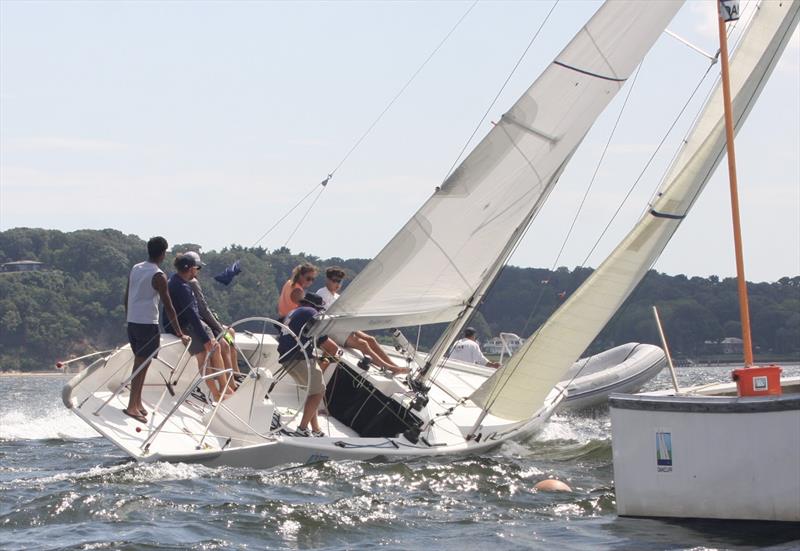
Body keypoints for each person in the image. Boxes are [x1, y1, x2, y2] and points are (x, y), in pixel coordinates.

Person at [123, 236, 189, 423]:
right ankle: (131, 407)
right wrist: (179, 332)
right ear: (162, 253)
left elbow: (127, 295)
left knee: (143, 363)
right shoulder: (158, 275)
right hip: (147, 324)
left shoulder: (136, 268)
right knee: (141, 365)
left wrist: (129, 317)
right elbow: (168, 306)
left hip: (133, 323)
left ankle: (137, 402)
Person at [164, 253, 233, 401]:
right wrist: (206, 338)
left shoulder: (173, 281)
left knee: (206, 355)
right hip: (188, 325)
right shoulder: (183, 287)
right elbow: (193, 315)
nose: (197, 272)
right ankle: (221, 389)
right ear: (190, 269)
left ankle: (219, 390)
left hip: (179, 324)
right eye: (197, 269)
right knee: (213, 350)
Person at [317, 266, 408, 375]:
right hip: (332, 329)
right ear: (327, 279)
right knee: (363, 344)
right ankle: (390, 368)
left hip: (343, 326)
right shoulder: (322, 294)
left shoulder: (337, 296)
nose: (337, 284)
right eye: (334, 281)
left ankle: (394, 365)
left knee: (371, 339)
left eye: (339, 281)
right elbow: (325, 316)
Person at [276, 292, 343, 437]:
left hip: (286, 358)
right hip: (298, 358)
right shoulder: (311, 312)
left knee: (313, 392)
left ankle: (315, 429)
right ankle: (302, 428)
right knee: (318, 392)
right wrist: (328, 360)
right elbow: (331, 347)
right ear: (317, 307)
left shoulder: (294, 312)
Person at [184, 251, 239, 378]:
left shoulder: (182, 281)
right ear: (193, 268)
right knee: (227, 339)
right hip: (200, 322)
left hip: (198, 321)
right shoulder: (193, 282)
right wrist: (219, 328)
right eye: (198, 268)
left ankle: (234, 372)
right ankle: (232, 376)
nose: (199, 271)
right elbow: (203, 309)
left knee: (230, 332)